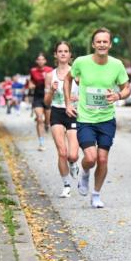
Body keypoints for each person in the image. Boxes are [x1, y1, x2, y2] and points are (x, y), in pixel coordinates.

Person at [65, 28, 130, 209]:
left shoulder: (117, 65)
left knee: (102, 159)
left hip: (107, 119)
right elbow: (67, 79)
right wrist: (68, 103)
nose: (102, 44)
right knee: (91, 158)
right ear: (93, 44)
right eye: (98, 41)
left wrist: (118, 96)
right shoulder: (81, 62)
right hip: (85, 118)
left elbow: (127, 88)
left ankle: (96, 194)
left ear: (109, 44)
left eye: (105, 41)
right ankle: (85, 171)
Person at [46, 41, 80, 198]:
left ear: (70, 54)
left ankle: (73, 163)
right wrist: (52, 91)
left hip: (73, 112)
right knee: (62, 152)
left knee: (72, 155)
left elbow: (85, 95)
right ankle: (66, 185)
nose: (63, 54)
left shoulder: (77, 73)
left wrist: (76, 96)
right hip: (57, 112)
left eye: (66, 51)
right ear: (55, 54)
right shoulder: (50, 75)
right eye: (60, 51)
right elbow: (46, 102)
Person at [28, 53, 53, 151]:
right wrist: (31, 85)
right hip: (37, 97)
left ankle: (47, 125)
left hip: (48, 96)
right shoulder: (33, 71)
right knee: (39, 119)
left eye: (42, 59)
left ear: (45, 61)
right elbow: (31, 82)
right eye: (39, 59)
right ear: (36, 61)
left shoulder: (50, 70)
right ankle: (41, 143)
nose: (41, 61)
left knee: (48, 120)